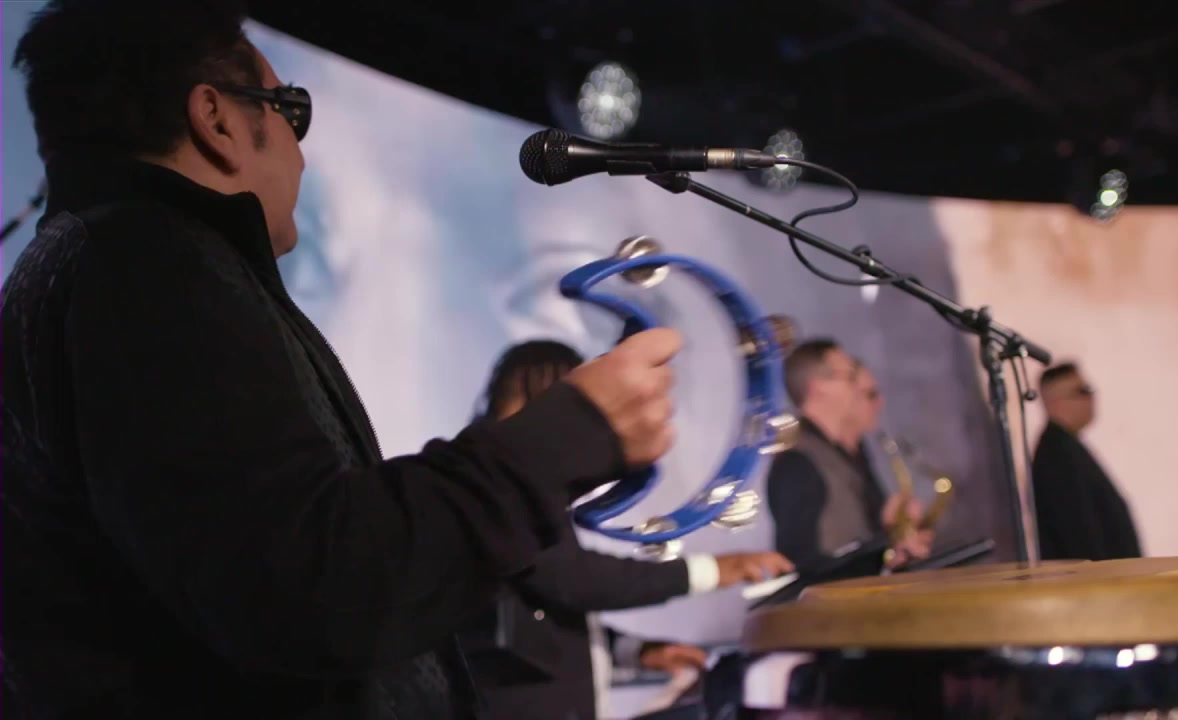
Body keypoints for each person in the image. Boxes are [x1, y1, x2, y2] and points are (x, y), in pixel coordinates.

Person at [0, 2, 682, 718]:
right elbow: (311, 587)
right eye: (291, 110)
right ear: (217, 120)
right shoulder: (145, 267)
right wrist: (568, 436)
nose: (300, 152)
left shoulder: (93, 267)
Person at [467, 340, 793, 720]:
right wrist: (715, 570)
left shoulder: (509, 487)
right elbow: (575, 580)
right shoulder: (497, 491)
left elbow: (544, 617)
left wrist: (635, 651)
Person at [766, 339, 935, 572]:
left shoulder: (846, 451)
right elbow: (799, 565)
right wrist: (884, 546)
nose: (856, 386)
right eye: (849, 376)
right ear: (819, 387)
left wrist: (891, 533)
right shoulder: (796, 462)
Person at [1032, 363, 1142, 561]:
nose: (1092, 397)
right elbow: (1079, 535)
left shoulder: (1065, 448)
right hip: (1098, 578)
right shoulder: (1058, 456)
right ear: (1057, 402)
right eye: (1083, 391)